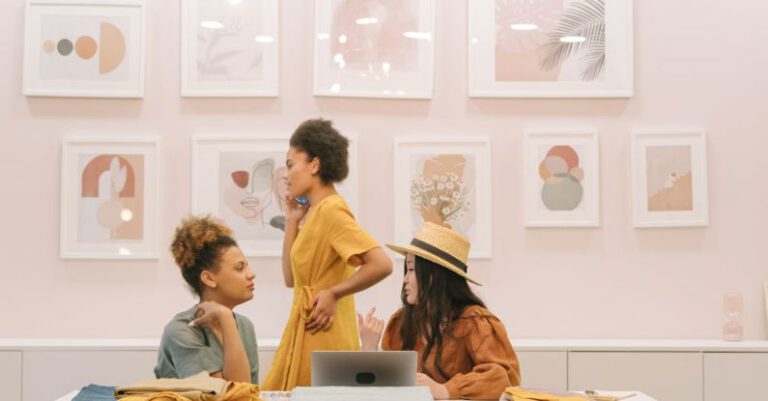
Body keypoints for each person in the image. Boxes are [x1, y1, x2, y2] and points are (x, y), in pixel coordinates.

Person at [263, 119, 393, 390]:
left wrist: (334, 293)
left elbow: (381, 264)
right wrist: (292, 221)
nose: (286, 175)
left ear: (314, 164)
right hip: (309, 329)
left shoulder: (332, 210)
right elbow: (290, 279)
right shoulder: (314, 214)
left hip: (323, 333)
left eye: (290, 164)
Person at [359, 222, 521, 400]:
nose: (405, 279)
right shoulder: (402, 323)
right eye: (406, 270)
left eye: (411, 270)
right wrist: (369, 348)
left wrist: (446, 390)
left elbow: (503, 379)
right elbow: (387, 389)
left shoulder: (475, 322)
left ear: (434, 275)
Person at [154, 215, 259, 383]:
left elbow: (246, 394)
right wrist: (226, 318)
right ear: (209, 279)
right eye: (240, 268)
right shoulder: (181, 331)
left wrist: (226, 319)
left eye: (247, 266)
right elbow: (227, 395)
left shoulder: (245, 326)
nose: (251, 274)